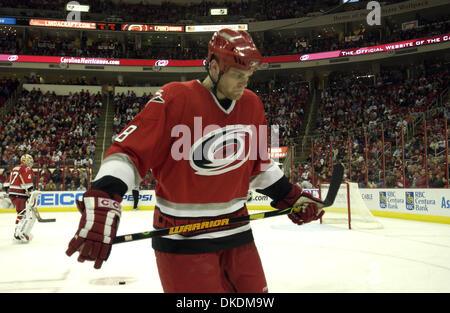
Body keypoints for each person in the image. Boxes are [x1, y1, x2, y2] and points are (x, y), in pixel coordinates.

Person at [66, 29, 324, 293]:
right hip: (182, 236)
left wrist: (290, 195)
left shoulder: (252, 104)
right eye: (237, 75)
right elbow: (129, 152)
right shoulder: (175, 98)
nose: (243, 83)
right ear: (214, 67)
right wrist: (106, 194)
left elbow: (257, 165)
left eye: (248, 76)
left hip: (237, 232)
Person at [9, 154, 36, 242]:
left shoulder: (15, 168)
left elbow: (7, 183)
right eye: (30, 161)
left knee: (20, 213)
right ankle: (18, 234)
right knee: (23, 214)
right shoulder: (27, 169)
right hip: (20, 194)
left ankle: (17, 232)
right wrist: (31, 192)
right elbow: (26, 184)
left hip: (12, 193)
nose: (31, 163)